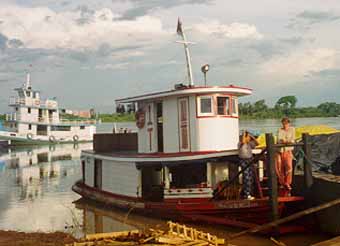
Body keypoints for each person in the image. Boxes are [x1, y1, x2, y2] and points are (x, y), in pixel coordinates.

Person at [276, 117, 295, 192]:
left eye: (286, 123)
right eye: (283, 123)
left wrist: (287, 141)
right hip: (280, 150)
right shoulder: (279, 130)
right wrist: (284, 141)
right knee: (280, 167)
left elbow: (293, 139)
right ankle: (282, 182)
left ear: (289, 123)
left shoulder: (292, 129)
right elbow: (279, 140)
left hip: (288, 150)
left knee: (289, 166)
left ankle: (288, 182)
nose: (285, 125)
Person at [238, 130, 259, 200]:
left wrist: (251, 136)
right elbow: (243, 141)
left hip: (250, 160)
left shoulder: (250, 144)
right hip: (243, 161)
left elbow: (257, 143)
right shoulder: (240, 143)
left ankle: (249, 193)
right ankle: (247, 194)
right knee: (246, 177)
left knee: (251, 178)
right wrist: (244, 134)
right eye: (248, 137)